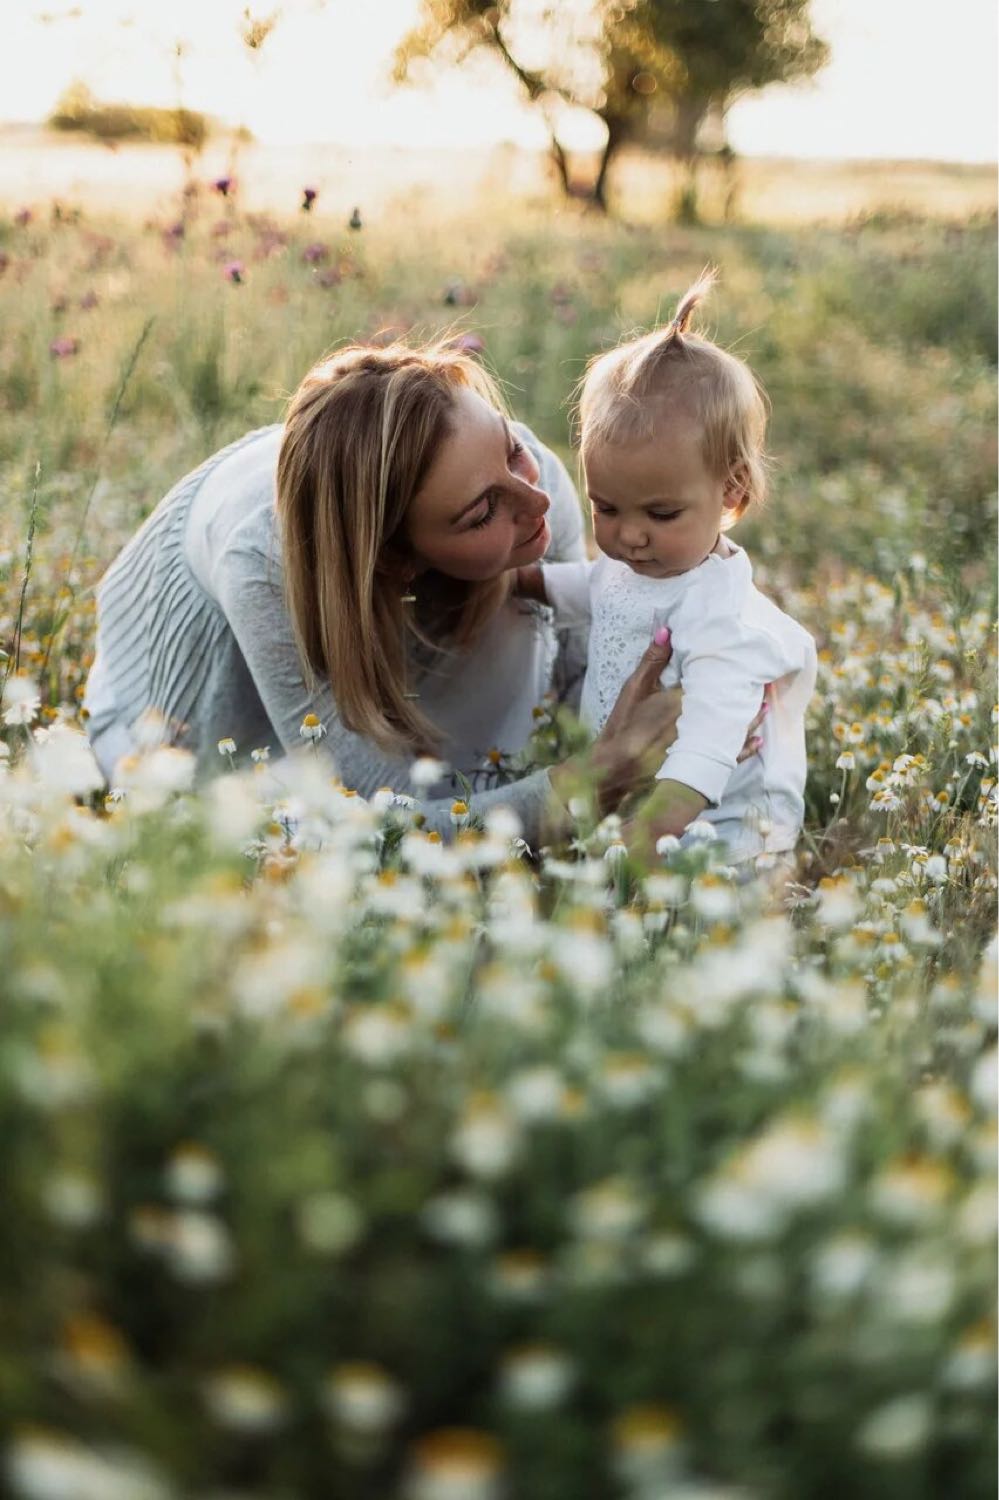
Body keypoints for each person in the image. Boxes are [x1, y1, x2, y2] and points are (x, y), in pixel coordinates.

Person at [83, 338, 764, 848]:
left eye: (509, 450)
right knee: (297, 841)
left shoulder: (536, 485)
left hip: (395, 657)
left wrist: (691, 706)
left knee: (524, 624)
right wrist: (593, 782)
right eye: (479, 513)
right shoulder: (264, 559)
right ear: (397, 562)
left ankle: (480, 786)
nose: (534, 504)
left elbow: (578, 678)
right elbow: (373, 815)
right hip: (203, 723)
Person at [514, 270, 816, 865]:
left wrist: (650, 836)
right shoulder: (638, 563)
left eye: (661, 512)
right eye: (606, 507)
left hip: (721, 829)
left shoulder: (723, 625)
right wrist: (526, 581)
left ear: (732, 492)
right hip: (634, 788)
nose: (629, 534)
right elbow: (596, 589)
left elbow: (705, 750)